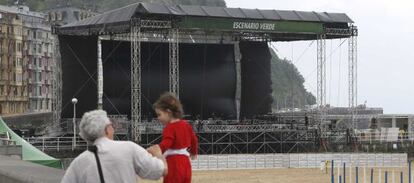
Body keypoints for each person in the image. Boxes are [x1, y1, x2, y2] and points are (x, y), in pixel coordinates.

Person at [61, 110, 167, 183]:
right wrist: (159, 155)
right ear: (107, 129)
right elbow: (160, 170)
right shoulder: (129, 148)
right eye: (111, 125)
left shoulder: (79, 162)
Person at [148, 92, 198, 183]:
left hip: (173, 164)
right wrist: (194, 152)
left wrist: (156, 152)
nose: (158, 118)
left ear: (168, 112)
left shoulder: (170, 128)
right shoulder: (186, 125)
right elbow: (194, 140)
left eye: (159, 114)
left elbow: (166, 143)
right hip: (186, 163)